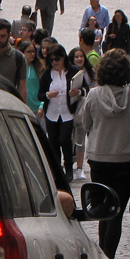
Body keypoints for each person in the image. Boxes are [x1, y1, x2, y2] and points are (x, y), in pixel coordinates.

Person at [79, 49, 130, 259]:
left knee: (103, 211)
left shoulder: (94, 95)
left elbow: (85, 123)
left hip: (99, 159)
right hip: (126, 159)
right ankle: (109, 258)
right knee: (116, 215)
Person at [38, 45, 84, 183]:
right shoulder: (47, 74)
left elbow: (85, 87)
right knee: (53, 142)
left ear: (63, 57)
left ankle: (69, 168)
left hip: (67, 113)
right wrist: (48, 95)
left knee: (65, 139)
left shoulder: (73, 71)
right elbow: (39, 95)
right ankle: (57, 169)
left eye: (57, 59)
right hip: (51, 113)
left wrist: (78, 92)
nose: (54, 62)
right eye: (51, 60)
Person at [68, 44, 96, 181]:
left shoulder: (90, 72)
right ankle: (70, 161)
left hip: (82, 109)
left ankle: (80, 167)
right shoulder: (67, 72)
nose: (79, 59)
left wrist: (81, 91)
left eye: (81, 56)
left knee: (80, 138)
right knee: (68, 139)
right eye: (76, 57)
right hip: (68, 108)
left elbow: (93, 88)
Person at [0, 18, 27, 98]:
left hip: (7, 105)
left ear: (9, 35)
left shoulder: (19, 57)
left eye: (3, 36)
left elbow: (22, 86)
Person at [17, 39, 44, 118]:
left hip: (37, 109)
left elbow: (45, 88)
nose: (32, 54)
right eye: (29, 52)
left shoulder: (39, 68)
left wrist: (41, 106)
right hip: (21, 107)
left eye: (34, 51)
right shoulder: (16, 67)